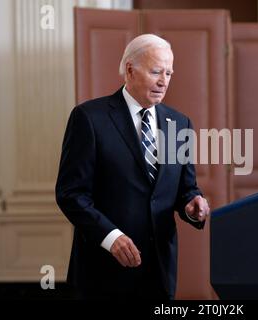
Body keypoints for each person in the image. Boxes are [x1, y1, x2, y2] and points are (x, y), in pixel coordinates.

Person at [55, 34, 210, 299]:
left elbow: (186, 187)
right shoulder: (89, 118)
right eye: (156, 72)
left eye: (169, 73)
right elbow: (71, 194)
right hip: (103, 270)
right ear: (130, 70)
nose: (164, 81)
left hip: (159, 271)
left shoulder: (180, 123)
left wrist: (192, 203)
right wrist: (111, 237)